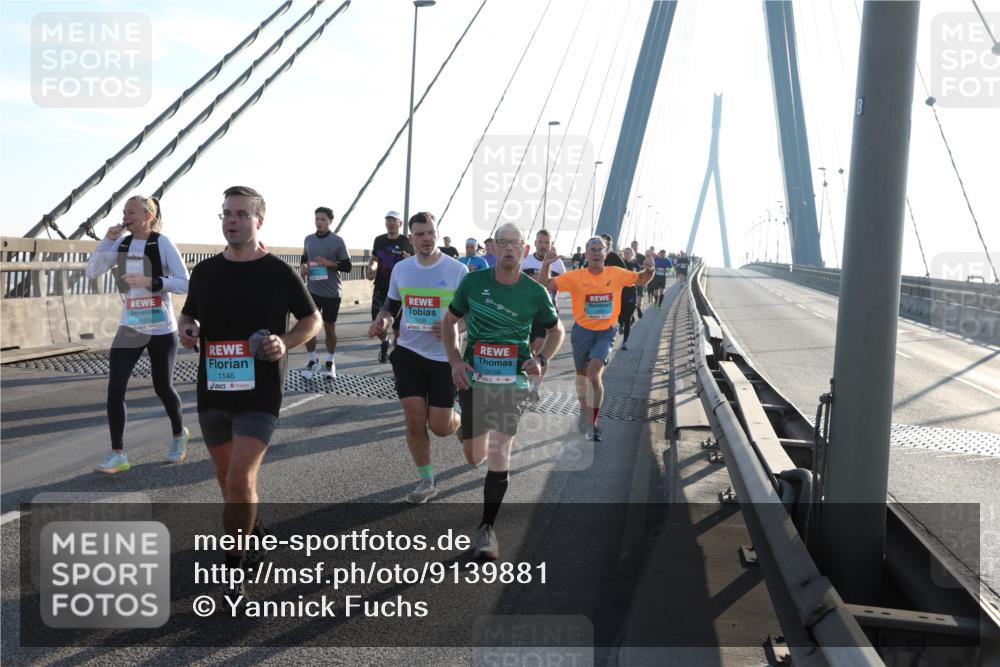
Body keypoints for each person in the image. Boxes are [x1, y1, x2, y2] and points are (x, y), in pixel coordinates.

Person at [179, 185, 321, 600]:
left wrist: (285, 341)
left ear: (259, 220)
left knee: (240, 480)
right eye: (226, 213)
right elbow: (189, 313)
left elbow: (310, 319)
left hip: (260, 392)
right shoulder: (205, 271)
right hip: (213, 390)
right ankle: (254, 529)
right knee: (227, 482)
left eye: (241, 214)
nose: (232, 220)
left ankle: (233, 569)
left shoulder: (278, 271)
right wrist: (188, 329)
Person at [442, 223, 565, 560]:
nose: (509, 248)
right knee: (473, 456)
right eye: (502, 242)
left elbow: (558, 331)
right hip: (473, 379)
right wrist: (454, 361)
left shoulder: (534, 292)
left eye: (515, 243)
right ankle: (458, 422)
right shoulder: (472, 282)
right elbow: (449, 322)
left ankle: (486, 530)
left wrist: (540, 358)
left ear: (524, 250)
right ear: (493, 249)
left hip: (512, 383)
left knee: (499, 450)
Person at [85, 194, 190, 473]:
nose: (125, 216)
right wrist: (107, 241)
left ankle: (179, 434)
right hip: (131, 325)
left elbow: (184, 283)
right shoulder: (122, 242)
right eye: (124, 212)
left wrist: (152, 281)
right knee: (115, 387)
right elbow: (92, 272)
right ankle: (117, 453)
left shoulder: (162, 243)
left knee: (162, 387)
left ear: (148, 216)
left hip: (161, 328)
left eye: (131, 212)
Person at [369, 212, 466, 504]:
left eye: (430, 233)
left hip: (443, 356)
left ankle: (459, 423)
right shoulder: (402, 269)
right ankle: (426, 481)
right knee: (413, 420)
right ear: (410, 238)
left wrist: (452, 325)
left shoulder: (457, 270)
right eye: (420, 234)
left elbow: (470, 317)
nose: (426, 238)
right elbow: (391, 306)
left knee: (439, 426)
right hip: (409, 352)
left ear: (437, 234)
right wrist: (382, 322)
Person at [539, 236, 653, 442]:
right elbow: (546, 283)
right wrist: (547, 264)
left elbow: (641, 279)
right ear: (586, 254)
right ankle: (585, 411)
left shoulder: (616, 274)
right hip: (582, 331)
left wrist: (650, 270)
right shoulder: (575, 276)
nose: (596, 252)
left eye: (600, 249)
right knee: (582, 376)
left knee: (593, 375)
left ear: (606, 254)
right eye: (592, 249)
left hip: (606, 331)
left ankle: (594, 421)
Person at [299, 206, 352, 379]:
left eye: (322, 219)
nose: (319, 222)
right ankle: (312, 361)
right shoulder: (308, 239)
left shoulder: (338, 241)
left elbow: (347, 266)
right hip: (312, 290)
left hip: (331, 293)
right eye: (317, 219)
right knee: (308, 326)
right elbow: (304, 258)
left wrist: (329, 263)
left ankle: (330, 362)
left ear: (330, 221)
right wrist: (303, 268)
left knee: (329, 328)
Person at [521, 229, 566, 401]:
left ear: (551, 244)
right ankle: (525, 380)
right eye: (540, 242)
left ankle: (536, 386)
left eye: (546, 243)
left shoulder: (558, 264)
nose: (543, 246)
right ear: (535, 242)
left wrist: (546, 282)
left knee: (541, 348)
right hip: (526, 311)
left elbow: (559, 286)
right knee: (529, 349)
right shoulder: (526, 260)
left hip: (547, 311)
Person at [367, 211, 414, 362]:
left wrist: (410, 259)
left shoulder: (407, 242)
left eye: (394, 221)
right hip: (381, 287)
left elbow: (417, 261)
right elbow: (374, 259)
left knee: (398, 327)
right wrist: (371, 268)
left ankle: (397, 360)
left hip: (400, 290)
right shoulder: (379, 240)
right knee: (377, 320)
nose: (391, 224)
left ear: (400, 224)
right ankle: (384, 342)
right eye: (388, 221)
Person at [619, 248, 641, 351]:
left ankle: (625, 342)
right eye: (625, 253)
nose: (627, 254)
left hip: (631, 293)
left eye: (629, 253)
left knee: (627, 318)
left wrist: (639, 293)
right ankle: (621, 324)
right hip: (620, 293)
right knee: (620, 314)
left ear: (632, 254)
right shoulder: (619, 264)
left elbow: (640, 279)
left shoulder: (636, 265)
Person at [630, 240, 646, 319]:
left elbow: (647, 266)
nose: (634, 247)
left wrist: (641, 267)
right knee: (631, 298)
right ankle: (632, 315)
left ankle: (638, 308)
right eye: (633, 245)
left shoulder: (641, 256)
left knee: (639, 298)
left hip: (640, 279)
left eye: (636, 246)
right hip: (630, 280)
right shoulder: (628, 256)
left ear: (638, 247)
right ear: (631, 246)